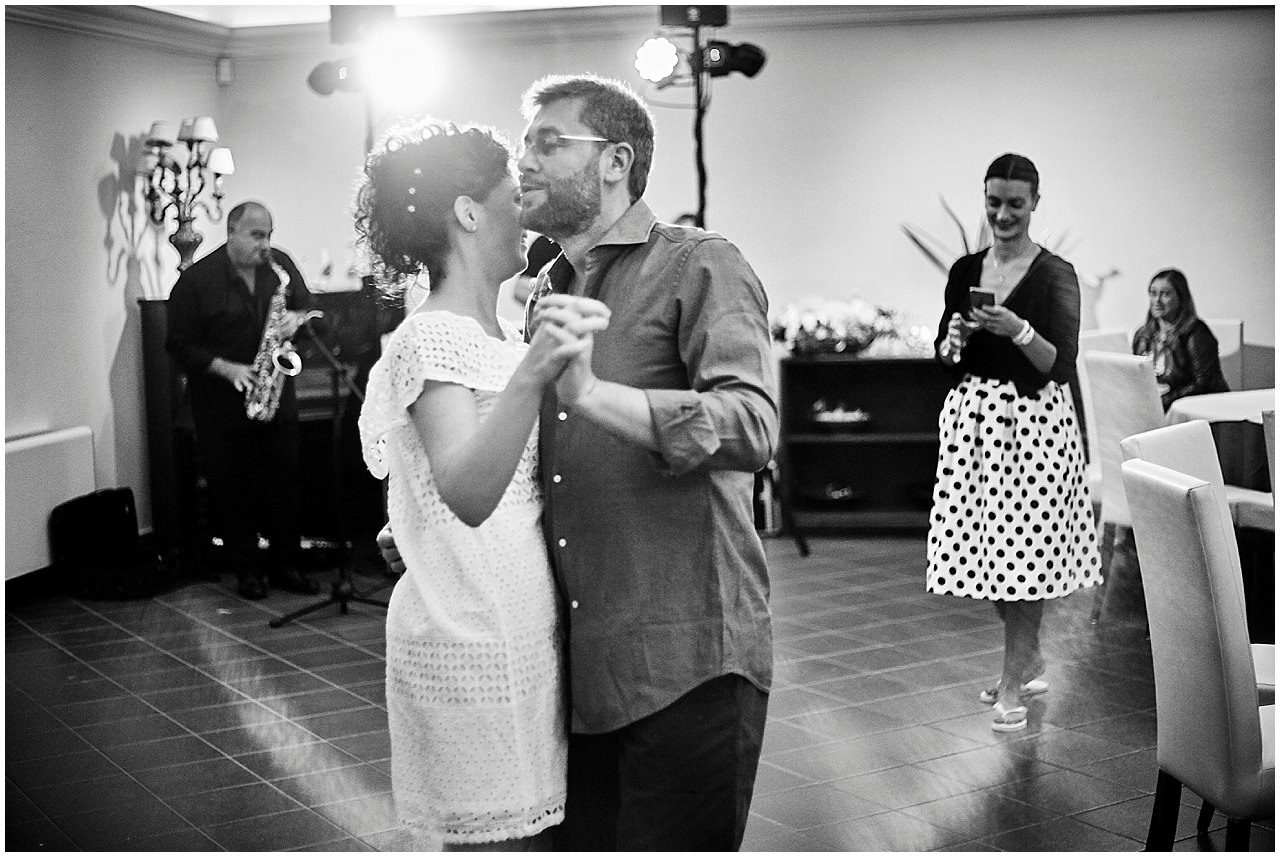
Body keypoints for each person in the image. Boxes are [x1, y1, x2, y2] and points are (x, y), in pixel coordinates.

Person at [381, 74, 777, 849]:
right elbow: (535, 466)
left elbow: (753, 425)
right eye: (526, 140)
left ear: (615, 161)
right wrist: (429, 527)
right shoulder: (541, 295)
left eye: (548, 142)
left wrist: (593, 393)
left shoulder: (699, 265)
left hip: (685, 657)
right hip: (579, 670)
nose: (523, 160)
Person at [354, 120, 609, 851]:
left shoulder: (497, 330)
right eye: (510, 195)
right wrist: (537, 368)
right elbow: (466, 493)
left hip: (522, 628)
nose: (524, 212)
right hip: (466, 638)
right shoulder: (430, 336)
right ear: (468, 211)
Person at [928, 153, 1102, 732]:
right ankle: (1026, 657)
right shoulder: (963, 269)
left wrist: (1018, 329)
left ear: (1035, 203)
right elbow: (945, 358)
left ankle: (1010, 681)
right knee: (988, 552)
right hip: (973, 426)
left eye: (1015, 204)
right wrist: (954, 336)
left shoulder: (1057, 275)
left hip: (1035, 426)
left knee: (1023, 553)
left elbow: (1061, 364)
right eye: (994, 203)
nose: (1003, 215)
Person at [166, 201, 320, 600]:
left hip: (275, 396)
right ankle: (248, 571)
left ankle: (287, 564)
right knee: (232, 489)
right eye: (256, 235)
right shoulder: (196, 282)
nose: (265, 244)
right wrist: (226, 368)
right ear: (231, 232)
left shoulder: (279, 267)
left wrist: (297, 321)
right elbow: (178, 345)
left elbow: (310, 309)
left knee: (285, 483)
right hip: (220, 404)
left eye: (268, 234)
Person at [1131, 268, 1228, 410]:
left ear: (1181, 297)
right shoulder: (1142, 334)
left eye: (1165, 294)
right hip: (1158, 407)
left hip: (1195, 409)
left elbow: (1204, 384)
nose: (1157, 300)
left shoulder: (1196, 333)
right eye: (1153, 293)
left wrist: (1163, 401)